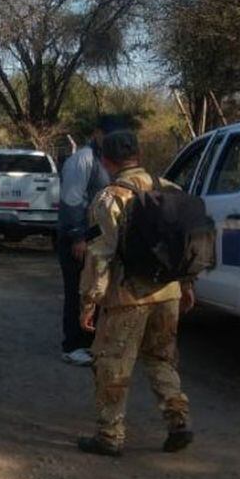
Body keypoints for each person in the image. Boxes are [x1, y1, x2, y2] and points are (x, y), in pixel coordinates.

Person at [78, 129, 195, 457]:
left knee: (112, 363)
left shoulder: (109, 198)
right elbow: (184, 246)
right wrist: (186, 285)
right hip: (168, 292)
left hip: (128, 297)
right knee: (161, 359)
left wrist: (89, 301)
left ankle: (109, 435)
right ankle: (178, 421)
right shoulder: (171, 190)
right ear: (138, 155)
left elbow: (100, 255)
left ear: (105, 160)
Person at [56, 117, 126, 365]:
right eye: (110, 135)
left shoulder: (112, 162)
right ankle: (73, 345)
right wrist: (77, 236)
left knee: (100, 293)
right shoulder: (83, 160)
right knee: (79, 291)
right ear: (97, 133)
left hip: (103, 242)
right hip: (80, 240)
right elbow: (71, 200)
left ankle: (94, 344)